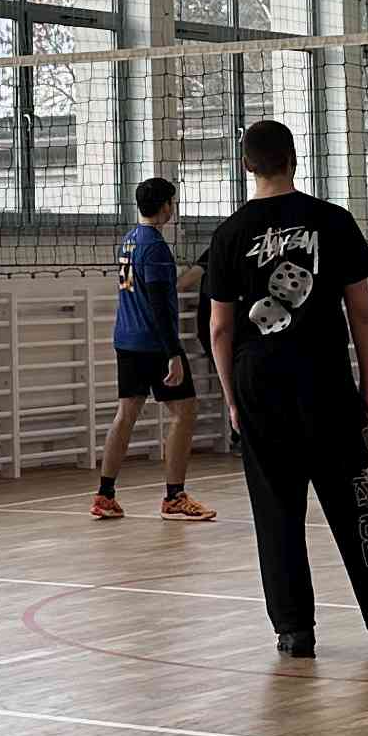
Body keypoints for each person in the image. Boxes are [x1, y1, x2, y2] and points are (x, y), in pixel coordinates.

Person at [199, 118, 368, 658]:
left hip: (258, 383)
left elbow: (219, 329)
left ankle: (294, 630)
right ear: (295, 159)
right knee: (355, 501)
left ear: (246, 166)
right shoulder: (333, 220)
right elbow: (362, 313)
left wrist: (232, 400)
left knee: (276, 511)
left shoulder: (228, 234)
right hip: (322, 378)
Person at [94, 174, 214, 520]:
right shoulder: (156, 248)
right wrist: (173, 352)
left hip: (126, 340)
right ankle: (174, 497)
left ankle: (105, 495)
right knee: (184, 411)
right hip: (154, 344)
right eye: (172, 202)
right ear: (166, 206)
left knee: (125, 415)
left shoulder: (129, 240)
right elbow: (161, 305)